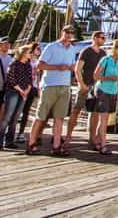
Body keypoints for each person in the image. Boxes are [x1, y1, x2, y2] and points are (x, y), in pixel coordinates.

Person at [26, 25, 80, 156]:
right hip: (50, 84)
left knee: (59, 117)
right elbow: (40, 65)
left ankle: (56, 146)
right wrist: (57, 67)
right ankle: (31, 143)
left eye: (71, 33)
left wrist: (72, 68)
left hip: (65, 85)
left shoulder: (73, 49)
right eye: (67, 32)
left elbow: (73, 65)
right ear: (62, 32)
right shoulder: (51, 47)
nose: (69, 35)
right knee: (40, 116)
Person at [66, 31, 107, 150]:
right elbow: (78, 69)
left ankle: (92, 139)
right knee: (76, 110)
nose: (103, 40)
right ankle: (68, 136)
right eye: (102, 38)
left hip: (96, 87)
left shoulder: (103, 53)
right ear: (95, 38)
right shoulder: (86, 51)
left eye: (104, 38)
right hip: (86, 85)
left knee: (94, 113)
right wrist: (81, 84)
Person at [0, 44, 34, 150]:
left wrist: (27, 90)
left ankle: (9, 140)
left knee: (16, 117)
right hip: (13, 91)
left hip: (24, 92)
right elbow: (11, 78)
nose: (31, 54)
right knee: (7, 116)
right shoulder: (14, 64)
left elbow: (30, 78)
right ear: (23, 53)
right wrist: (20, 90)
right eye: (29, 52)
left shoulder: (28, 65)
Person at [92, 39, 118, 155]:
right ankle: (104, 144)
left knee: (104, 117)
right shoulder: (105, 60)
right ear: (114, 48)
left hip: (113, 91)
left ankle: (96, 140)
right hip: (103, 90)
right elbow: (96, 75)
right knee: (104, 118)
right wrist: (108, 78)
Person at [16, 42, 41, 142]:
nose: (39, 51)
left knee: (26, 111)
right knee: (18, 110)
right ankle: (13, 131)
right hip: (24, 87)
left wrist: (38, 88)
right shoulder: (27, 61)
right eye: (37, 49)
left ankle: (21, 132)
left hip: (33, 87)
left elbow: (39, 76)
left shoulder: (38, 62)